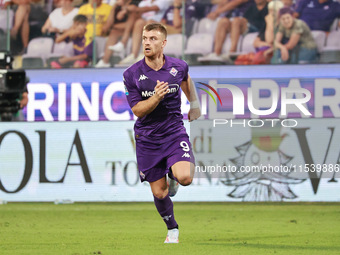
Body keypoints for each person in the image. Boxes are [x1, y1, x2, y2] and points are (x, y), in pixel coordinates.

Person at [123, 23, 201, 243]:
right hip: (147, 138)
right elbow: (137, 110)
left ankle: (174, 176)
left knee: (185, 177)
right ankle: (172, 228)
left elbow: (186, 79)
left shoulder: (178, 66)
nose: (147, 42)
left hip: (174, 132)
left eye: (153, 39)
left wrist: (194, 104)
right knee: (159, 192)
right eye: (145, 38)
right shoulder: (132, 74)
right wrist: (156, 97)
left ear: (164, 43)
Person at [112, 0, 172, 66]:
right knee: (138, 22)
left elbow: (154, 8)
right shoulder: (144, 2)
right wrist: (126, 10)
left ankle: (144, 54)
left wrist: (130, 9)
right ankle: (133, 55)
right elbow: (137, 13)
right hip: (144, 24)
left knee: (149, 23)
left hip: (160, 24)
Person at [95, 0, 137, 68]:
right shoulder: (118, 7)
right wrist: (113, 8)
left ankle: (123, 43)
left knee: (131, 18)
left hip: (133, 30)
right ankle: (105, 61)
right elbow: (108, 26)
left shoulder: (135, 3)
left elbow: (132, 23)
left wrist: (125, 9)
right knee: (113, 32)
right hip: (119, 30)